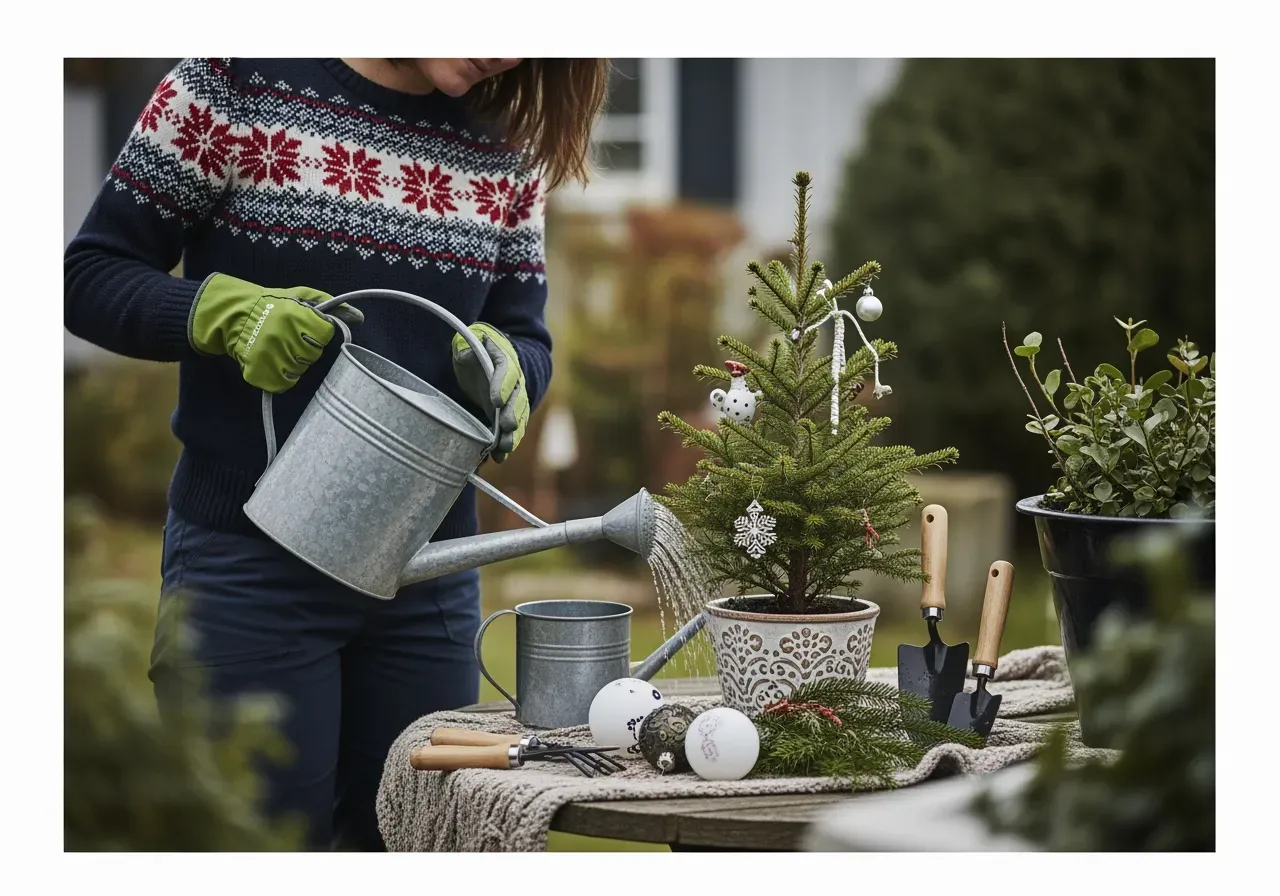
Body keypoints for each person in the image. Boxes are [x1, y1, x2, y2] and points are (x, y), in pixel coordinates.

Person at [64, 57, 610, 850]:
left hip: (428, 576)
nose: (508, 49)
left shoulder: (508, 146)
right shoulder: (236, 79)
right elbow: (90, 274)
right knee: (255, 846)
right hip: (249, 569)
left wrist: (508, 368)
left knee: (423, 844)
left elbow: (524, 331)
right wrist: (218, 313)